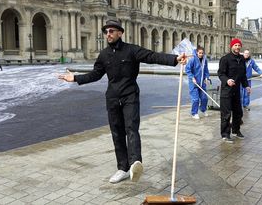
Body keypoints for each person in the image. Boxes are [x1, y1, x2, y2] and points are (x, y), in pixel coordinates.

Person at [58, 19, 187, 184]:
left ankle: (135, 164)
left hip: (130, 96)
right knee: (117, 133)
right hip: (112, 98)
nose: (108, 34)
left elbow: (152, 56)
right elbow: (95, 74)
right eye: (106, 32)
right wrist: (75, 77)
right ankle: (123, 168)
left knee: (131, 128)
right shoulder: (104, 54)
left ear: (120, 32)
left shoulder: (132, 50)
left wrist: (175, 59)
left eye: (111, 31)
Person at [217, 38, 250, 143]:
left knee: (238, 112)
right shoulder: (225, 59)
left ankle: (236, 131)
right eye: (235, 45)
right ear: (231, 46)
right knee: (226, 114)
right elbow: (221, 74)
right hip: (227, 91)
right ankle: (225, 134)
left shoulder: (241, 59)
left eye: (238, 45)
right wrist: (227, 80)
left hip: (236, 91)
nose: (237, 47)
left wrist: (246, 86)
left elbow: (243, 75)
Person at [185, 45, 210, 119]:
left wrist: (206, 78)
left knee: (204, 98)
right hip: (194, 83)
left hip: (202, 83)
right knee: (195, 99)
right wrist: (192, 78)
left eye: (202, 53)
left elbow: (206, 70)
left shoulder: (205, 60)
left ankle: (203, 109)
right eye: (200, 53)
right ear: (197, 52)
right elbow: (188, 69)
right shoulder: (192, 59)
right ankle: (194, 113)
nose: (201, 54)